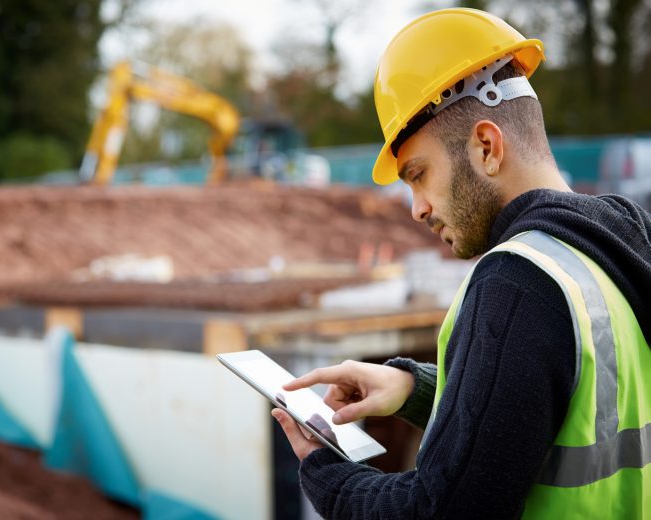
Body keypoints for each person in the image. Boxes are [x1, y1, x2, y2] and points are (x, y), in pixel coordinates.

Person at [271, 7, 651, 519]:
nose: (417, 208)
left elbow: (441, 509)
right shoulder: (625, 234)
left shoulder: (517, 282)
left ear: (487, 147)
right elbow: (551, 415)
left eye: (419, 174)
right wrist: (414, 388)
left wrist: (326, 472)